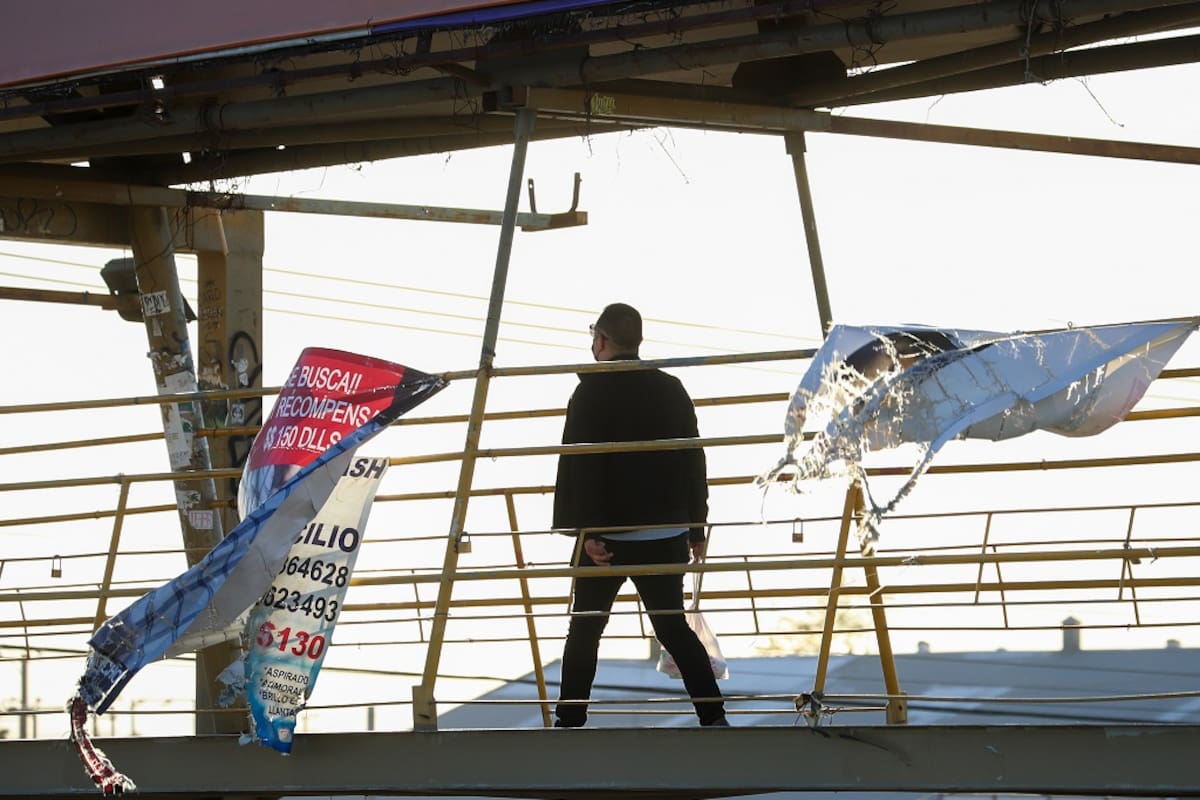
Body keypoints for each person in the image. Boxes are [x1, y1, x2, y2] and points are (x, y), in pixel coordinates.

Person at [552, 302, 728, 728]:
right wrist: (696, 526)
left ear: (602, 341)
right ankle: (713, 715)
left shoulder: (589, 393)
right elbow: (693, 459)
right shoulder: (671, 388)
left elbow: (582, 465)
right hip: (667, 531)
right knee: (671, 627)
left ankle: (570, 721)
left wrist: (587, 532)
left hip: (607, 538)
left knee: (586, 629)